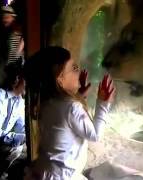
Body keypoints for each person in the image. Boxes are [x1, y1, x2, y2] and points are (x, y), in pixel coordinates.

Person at [24, 46, 115, 180]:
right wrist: (103, 103)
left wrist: (79, 95)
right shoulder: (72, 107)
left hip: (44, 171)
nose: (78, 71)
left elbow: (65, 121)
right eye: (74, 68)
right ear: (60, 79)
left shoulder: (46, 102)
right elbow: (94, 134)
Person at [0, 62, 26, 179]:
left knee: (24, 149)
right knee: (17, 148)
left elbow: (21, 128)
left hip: (0, 141)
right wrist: (22, 138)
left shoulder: (20, 101)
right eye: (27, 80)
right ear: (18, 79)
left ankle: (2, 173)